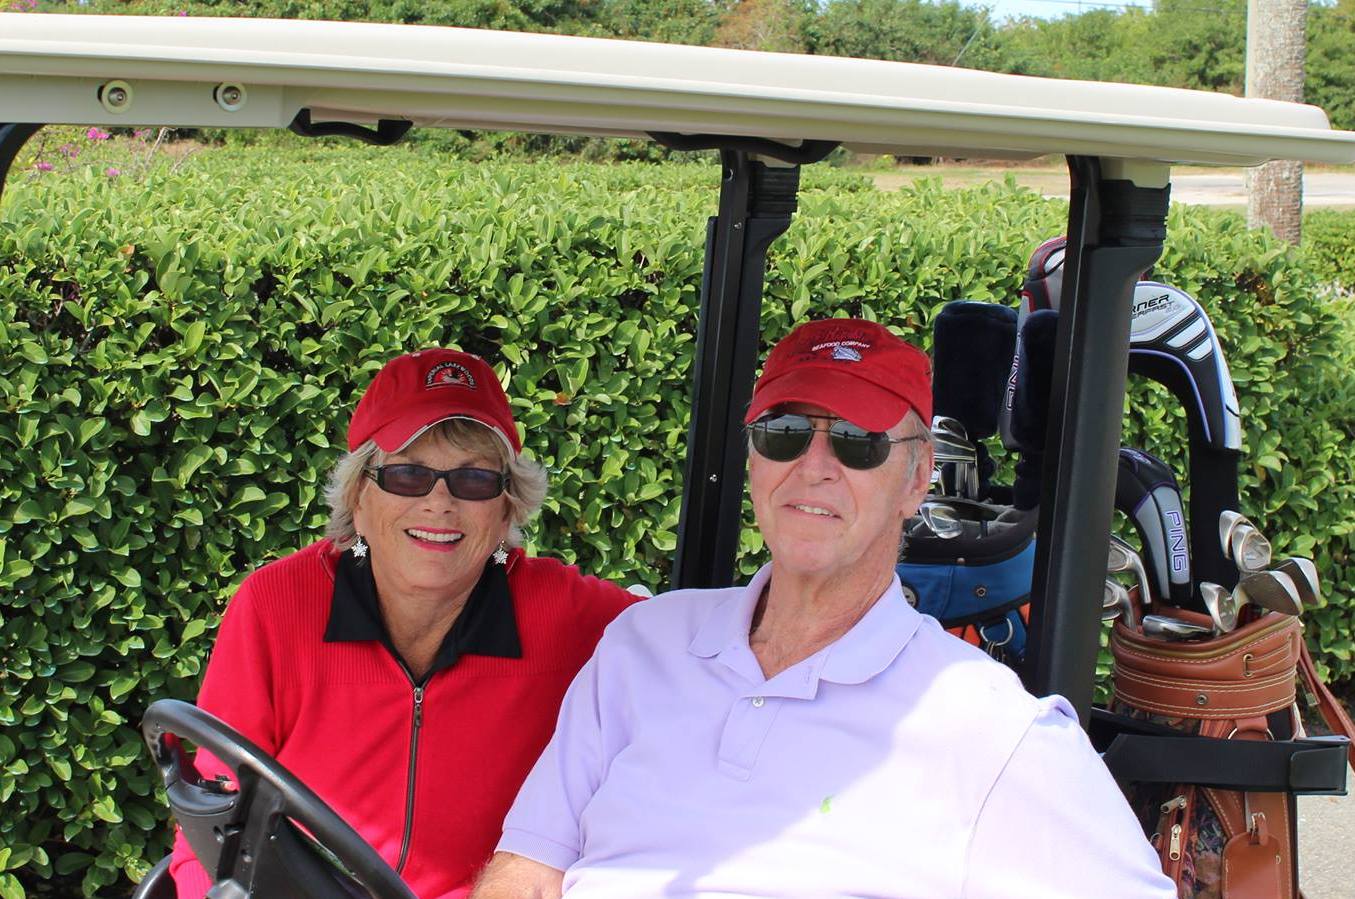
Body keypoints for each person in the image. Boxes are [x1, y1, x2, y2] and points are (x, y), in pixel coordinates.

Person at [471, 319, 1175, 898]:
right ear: (753, 459)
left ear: (915, 478)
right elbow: (528, 868)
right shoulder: (644, 643)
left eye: (857, 442)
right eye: (784, 433)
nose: (813, 466)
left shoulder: (991, 728)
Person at [168, 348, 639, 898]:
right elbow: (214, 813)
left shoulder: (566, 615)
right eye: (409, 474)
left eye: (473, 480)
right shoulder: (277, 606)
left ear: (507, 508)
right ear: (358, 499)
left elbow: (709, 640)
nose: (440, 502)